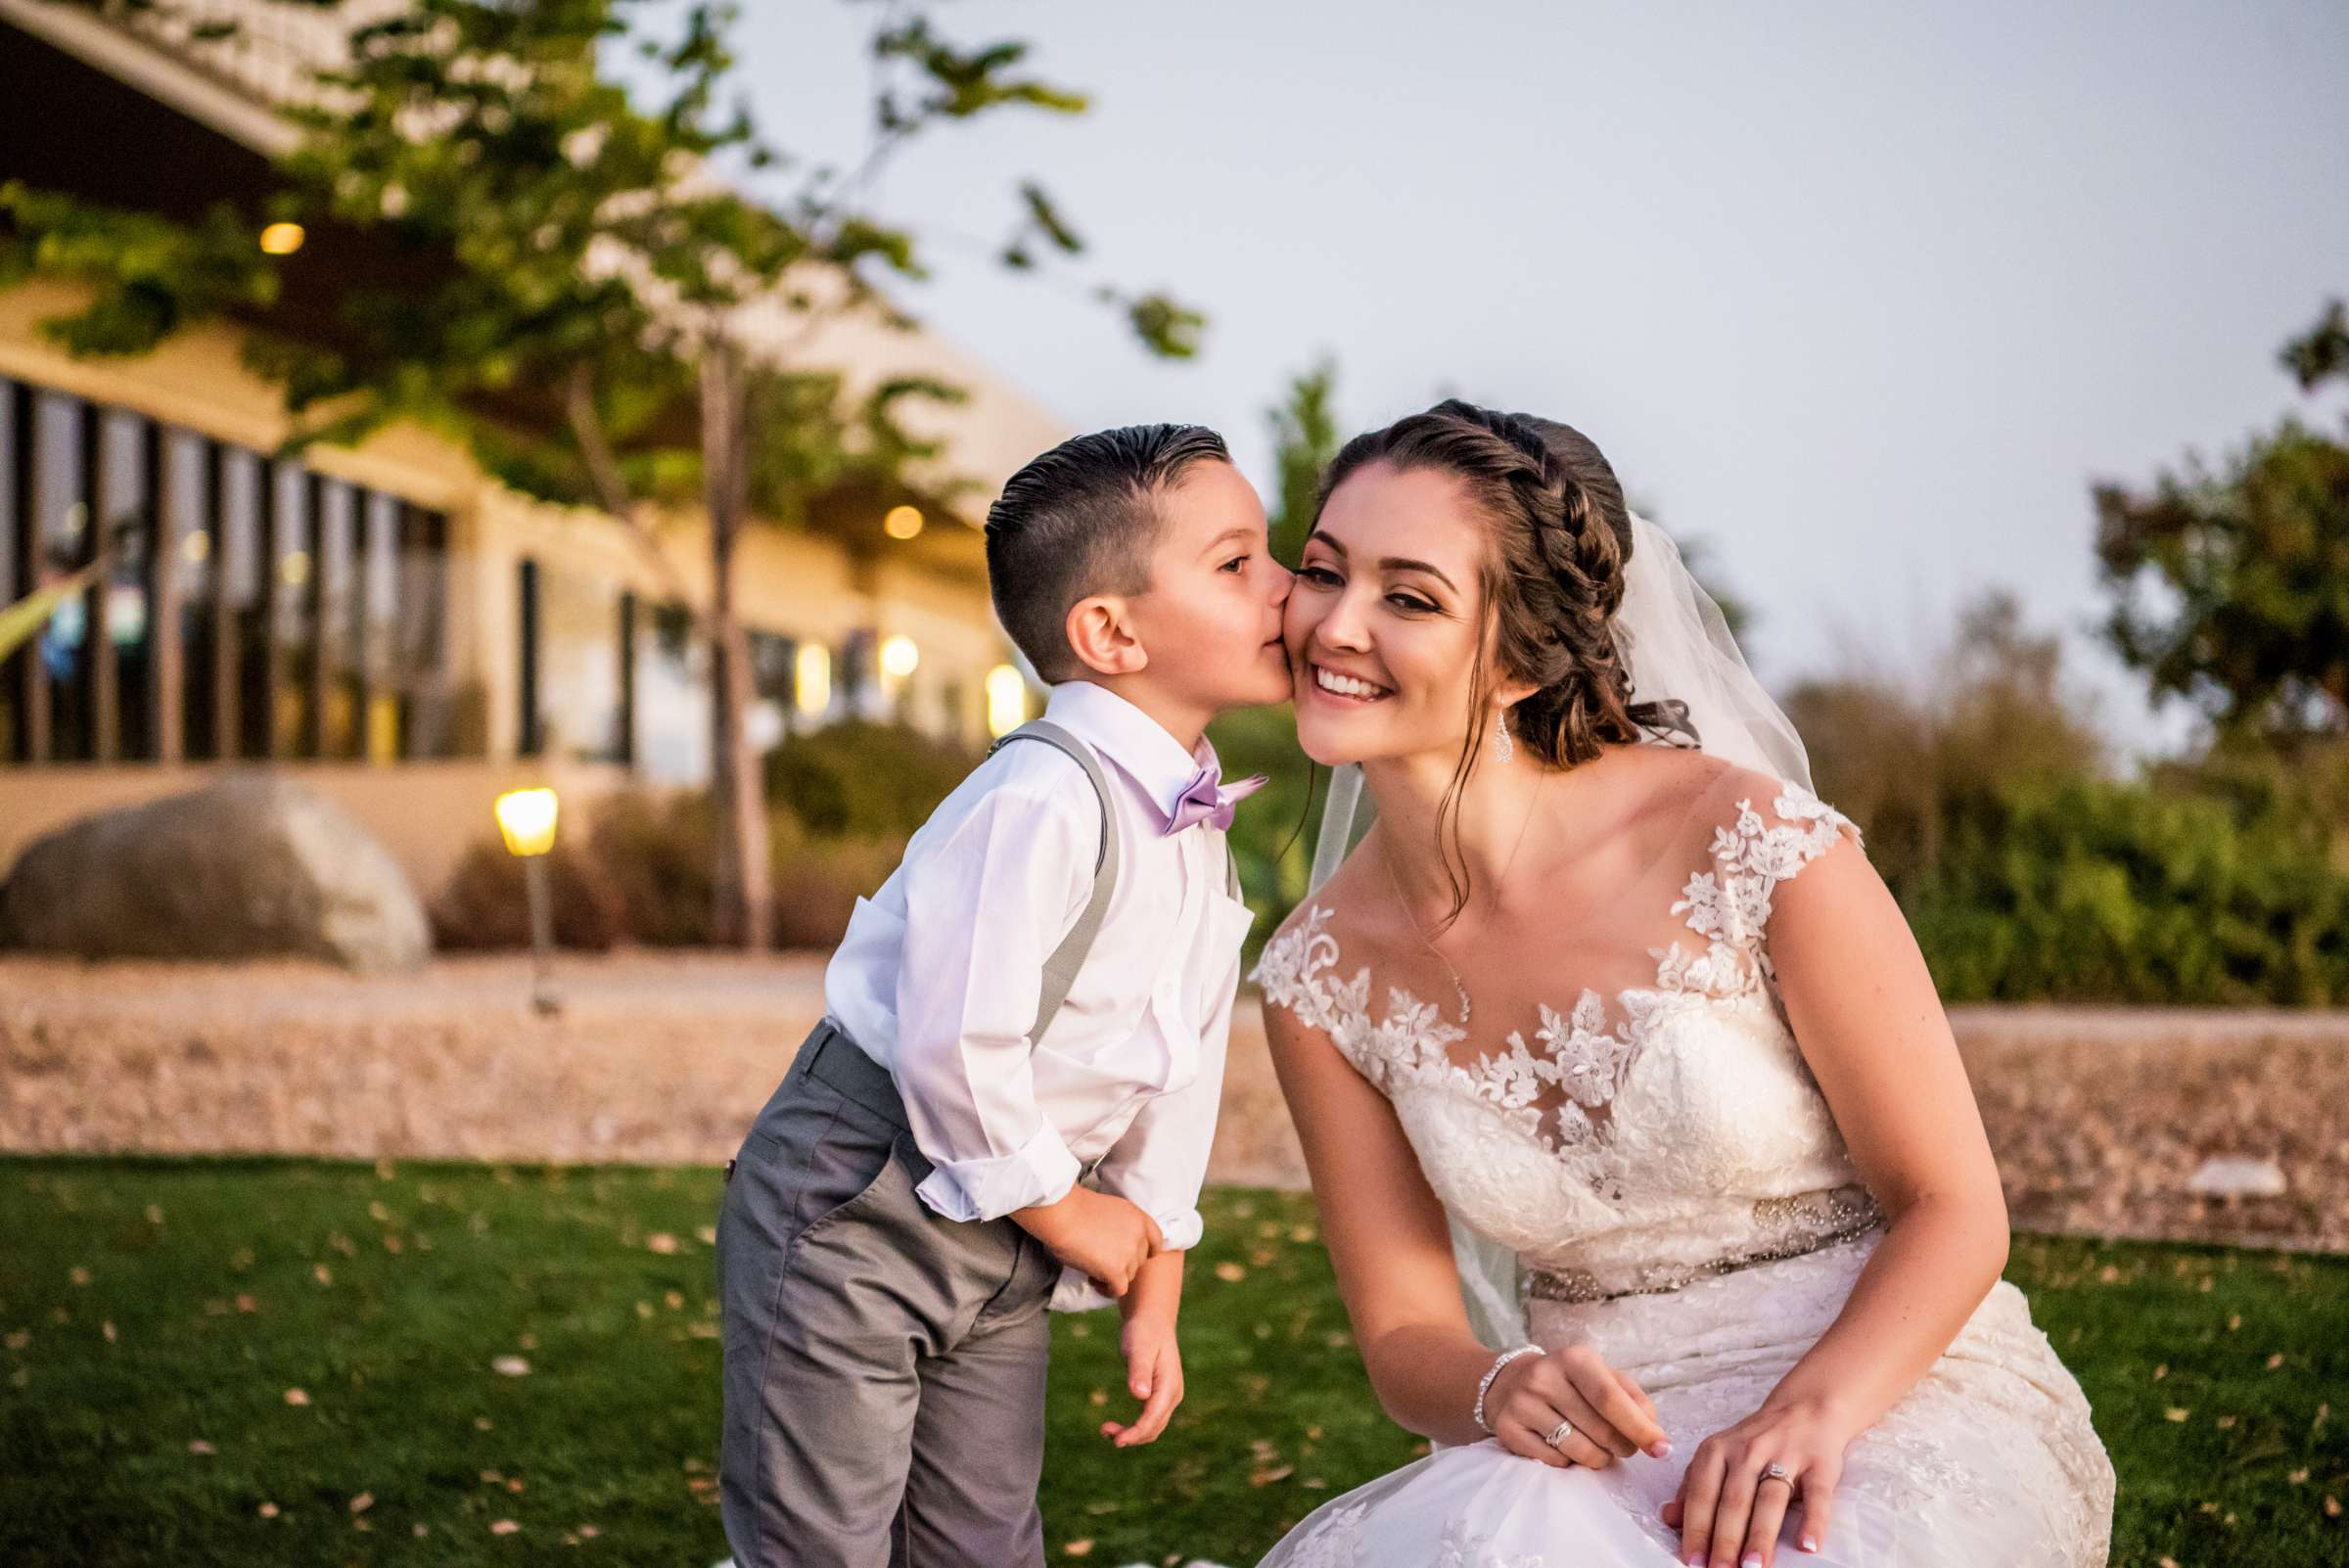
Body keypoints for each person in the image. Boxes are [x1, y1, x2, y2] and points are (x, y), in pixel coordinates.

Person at [1249, 401, 2114, 1568]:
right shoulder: (1317, 976)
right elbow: (1406, 1334)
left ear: (1518, 661)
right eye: (1321, 571)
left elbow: (1954, 1208)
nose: (1333, 626)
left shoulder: (1752, 843)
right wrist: (1499, 1382)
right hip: (1588, 1460)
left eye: (1408, 597)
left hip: (1887, 1392)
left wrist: (1811, 1411)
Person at [716, 423, 1292, 1568]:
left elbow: (1178, 1060)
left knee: (982, 1538)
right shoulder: (1041, 796)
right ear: (1110, 631)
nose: (1288, 587)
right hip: (856, 1205)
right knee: (821, 1540)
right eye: (1239, 565)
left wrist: (1157, 1260)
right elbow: (951, 1042)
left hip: (1005, 1231)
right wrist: (1073, 1214)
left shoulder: (1195, 830)